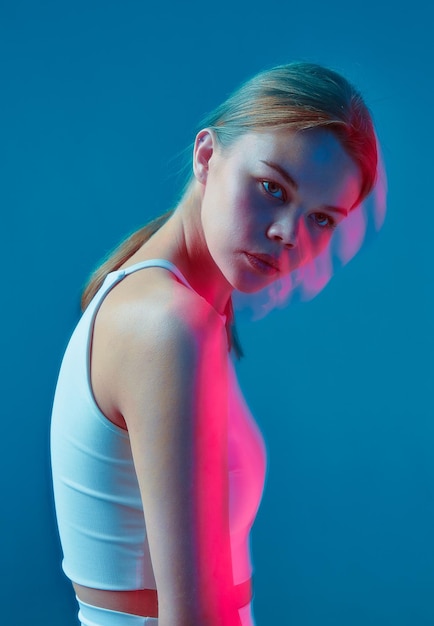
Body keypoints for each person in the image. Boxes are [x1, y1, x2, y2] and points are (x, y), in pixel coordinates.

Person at [50, 61, 379, 626]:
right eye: (272, 188)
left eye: (322, 219)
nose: (287, 234)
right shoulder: (168, 325)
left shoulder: (180, 308)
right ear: (207, 155)